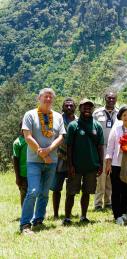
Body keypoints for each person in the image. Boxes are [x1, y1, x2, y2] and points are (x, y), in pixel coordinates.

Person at [19, 88, 65, 234]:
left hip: (52, 160)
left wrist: (49, 150)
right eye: (45, 97)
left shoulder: (57, 116)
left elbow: (61, 136)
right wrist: (42, 153)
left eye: (51, 97)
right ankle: (25, 225)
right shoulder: (30, 115)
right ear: (39, 98)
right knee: (33, 191)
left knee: (44, 192)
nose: (48, 99)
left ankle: (38, 220)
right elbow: (27, 136)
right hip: (34, 161)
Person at [63, 99, 104, 225]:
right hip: (75, 166)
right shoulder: (73, 126)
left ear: (92, 109)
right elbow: (69, 147)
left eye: (89, 107)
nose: (87, 109)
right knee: (71, 192)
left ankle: (84, 216)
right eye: (84, 107)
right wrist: (70, 165)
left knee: (87, 192)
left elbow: (100, 146)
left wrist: (101, 164)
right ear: (79, 108)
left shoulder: (97, 126)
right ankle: (67, 217)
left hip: (91, 165)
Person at [106, 106, 127, 225]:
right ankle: (117, 215)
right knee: (117, 190)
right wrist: (108, 162)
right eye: (125, 115)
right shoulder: (116, 130)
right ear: (121, 116)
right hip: (116, 164)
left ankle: (124, 212)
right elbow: (110, 147)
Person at [50, 98, 77, 219]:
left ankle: (68, 213)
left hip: (73, 158)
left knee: (71, 188)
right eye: (67, 106)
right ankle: (55, 214)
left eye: (71, 106)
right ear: (63, 107)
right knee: (56, 188)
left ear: (75, 107)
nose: (69, 108)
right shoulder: (57, 120)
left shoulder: (78, 121)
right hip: (59, 157)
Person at [93, 90, 119, 210]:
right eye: (109, 98)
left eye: (113, 98)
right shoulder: (97, 113)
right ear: (105, 99)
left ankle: (108, 202)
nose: (111, 100)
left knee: (111, 176)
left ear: (116, 100)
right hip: (101, 148)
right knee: (101, 176)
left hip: (115, 148)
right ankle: (98, 203)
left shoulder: (119, 113)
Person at [12, 121, 28, 207]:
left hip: (34, 172)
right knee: (24, 193)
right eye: (23, 128)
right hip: (23, 174)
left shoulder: (33, 140)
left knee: (33, 194)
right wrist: (17, 177)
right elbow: (15, 159)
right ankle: (25, 214)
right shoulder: (17, 142)